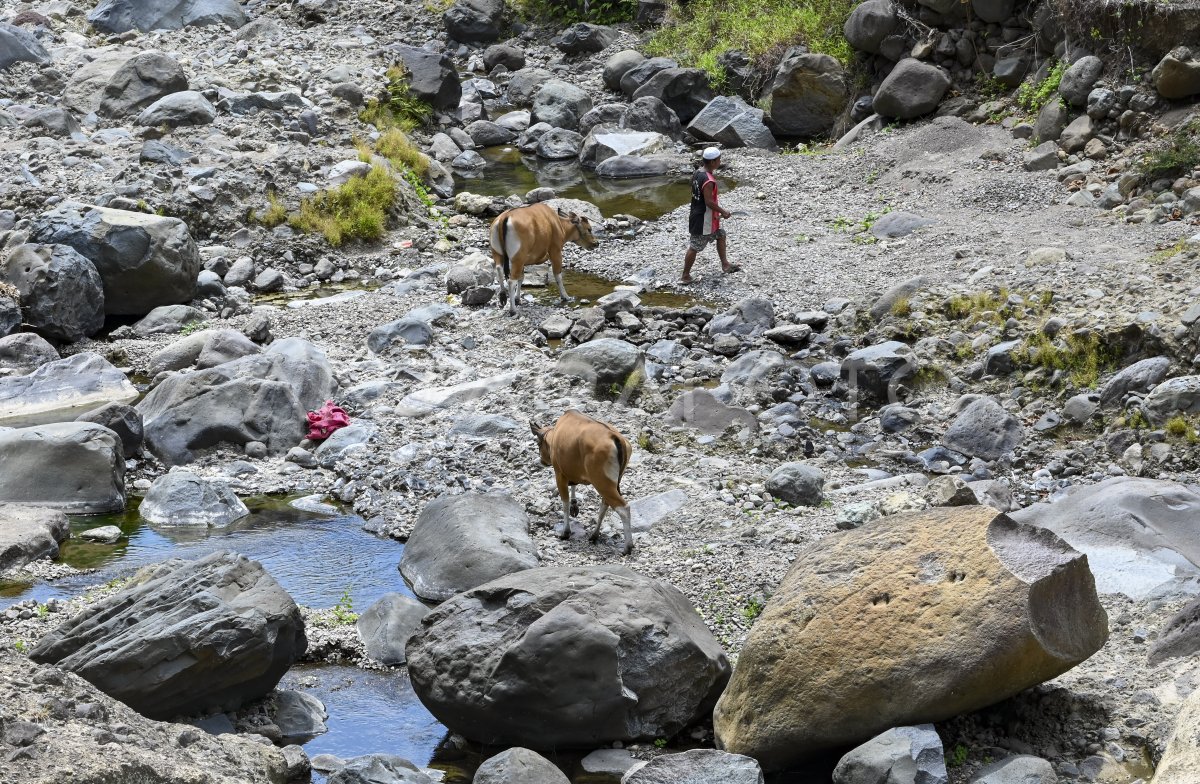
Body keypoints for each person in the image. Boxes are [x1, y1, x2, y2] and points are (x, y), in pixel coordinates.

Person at [681, 146, 739, 284]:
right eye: (719, 159)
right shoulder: (709, 181)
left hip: (700, 215)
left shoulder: (697, 173)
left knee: (721, 234)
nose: (720, 161)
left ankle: (725, 264)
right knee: (695, 246)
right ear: (713, 162)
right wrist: (723, 211)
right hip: (703, 220)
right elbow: (708, 202)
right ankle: (685, 276)